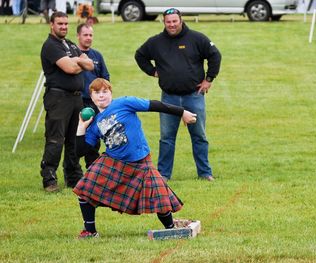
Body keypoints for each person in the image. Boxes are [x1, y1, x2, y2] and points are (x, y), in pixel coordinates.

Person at [73, 78, 197, 238]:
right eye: (97, 93)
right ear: (91, 96)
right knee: (85, 189)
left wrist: (182, 112)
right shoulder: (95, 123)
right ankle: (90, 231)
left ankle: (171, 227)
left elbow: (154, 105)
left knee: (160, 196)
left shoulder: (125, 103)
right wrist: (81, 127)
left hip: (140, 160)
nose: (101, 96)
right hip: (114, 162)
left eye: (105, 91)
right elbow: (80, 151)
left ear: (111, 93)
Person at [135, 8, 221, 182]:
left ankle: (205, 173)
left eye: (175, 21)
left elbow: (215, 55)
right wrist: (152, 72)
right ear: (164, 22)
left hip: (193, 96)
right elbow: (140, 55)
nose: (172, 25)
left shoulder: (197, 38)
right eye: (168, 22)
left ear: (181, 20)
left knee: (199, 136)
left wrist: (209, 79)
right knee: (166, 138)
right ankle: (164, 175)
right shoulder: (156, 42)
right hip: (169, 98)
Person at [40, 11, 94, 192]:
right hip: (58, 98)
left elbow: (91, 65)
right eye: (59, 24)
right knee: (56, 139)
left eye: (65, 23)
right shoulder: (50, 46)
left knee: (74, 139)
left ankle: (73, 177)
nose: (63, 27)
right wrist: (79, 61)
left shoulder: (70, 44)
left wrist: (77, 60)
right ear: (51, 25)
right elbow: (71, 68)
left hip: (76, 98)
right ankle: (49, 179)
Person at [76, 23, 110, 168]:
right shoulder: (73, 55)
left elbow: (105, 78)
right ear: (78, 36)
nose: (88, 38)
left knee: (95, 137)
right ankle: (73, 175)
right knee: (76, 136)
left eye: (91, 35)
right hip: (77, 101)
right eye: (85, 35)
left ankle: (93, 171)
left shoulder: (97, 56)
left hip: (95, 103)